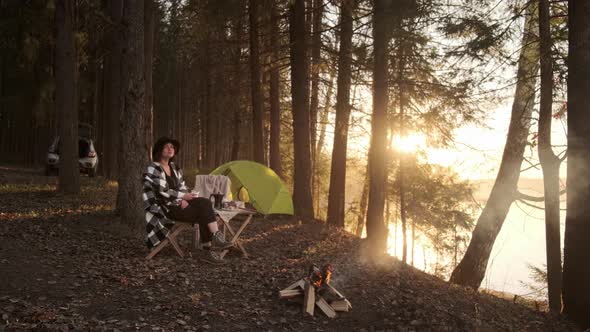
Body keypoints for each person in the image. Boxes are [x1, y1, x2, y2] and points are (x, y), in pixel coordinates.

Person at [143, 136, 232, 264]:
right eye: (167, 146)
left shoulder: (174, 168)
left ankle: (216, 237)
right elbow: (161, 191)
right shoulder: (154, 168)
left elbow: (182, 187)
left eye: (172, 147)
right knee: (204, 212)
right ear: (159, 150)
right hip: (165, 207)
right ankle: (208, 250)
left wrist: (186, 196)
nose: (170, 149)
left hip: (179, 203)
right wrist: (181, 198)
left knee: (205, 203)